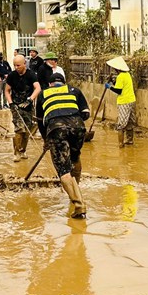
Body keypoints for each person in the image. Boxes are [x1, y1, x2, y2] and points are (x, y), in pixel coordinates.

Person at [35, 72, 91, 218]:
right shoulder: (75, 91)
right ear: (64, 83)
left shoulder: (42, 94)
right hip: (78, 128)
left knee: (63, 170)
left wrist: (46, 140)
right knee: (75, 158)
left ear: (50, 85)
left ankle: (79, 204)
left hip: (56, 129)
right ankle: (75, 189)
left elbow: (40, 121)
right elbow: (86, 114)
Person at [5, 54, 41, 162]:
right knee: (19, 130)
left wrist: (30, 99)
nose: (16, 68)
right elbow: (7, 91)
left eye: (18, 65)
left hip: (28, 106)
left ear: (24, 64)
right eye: (15, 65)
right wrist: (11, 103)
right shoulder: (12, 75)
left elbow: (38, 88)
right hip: (16, 106)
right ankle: (16, 153)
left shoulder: (31, 75)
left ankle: (23, 150)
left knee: (27, 132)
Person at [104, 56, 136, 147]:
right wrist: (113, 82)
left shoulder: (121, 76)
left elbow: (119, 91)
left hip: (124, 102)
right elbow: (119, 86)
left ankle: (120, 143)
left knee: (121, 124)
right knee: (129, 121)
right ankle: (130, 140)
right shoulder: (127, 75)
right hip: (131, 100)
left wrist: (109, 87)